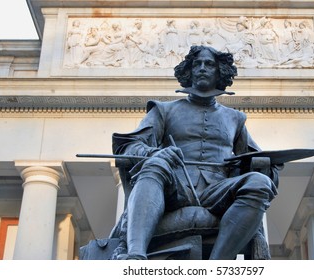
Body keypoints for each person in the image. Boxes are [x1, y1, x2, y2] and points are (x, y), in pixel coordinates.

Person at [111, 45, 279, 260]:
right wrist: (154, 153)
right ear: (188, 71)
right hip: (174, 188)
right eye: (196, 64)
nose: (202, 68)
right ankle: (135, 255)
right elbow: (128, 147)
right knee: (155, 164)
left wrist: (265, 165)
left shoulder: (235, 118)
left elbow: (253, 158)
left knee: (259, 182)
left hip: (218, 191)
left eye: (209, 64)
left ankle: (216, 265)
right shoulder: (163, 110)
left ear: (220, 72)